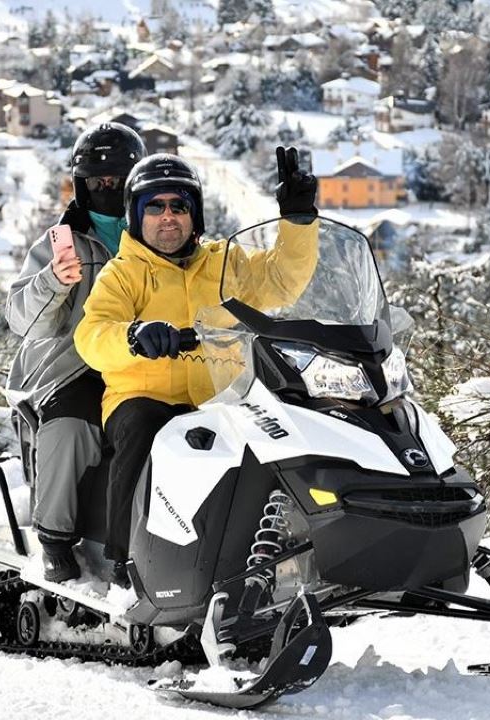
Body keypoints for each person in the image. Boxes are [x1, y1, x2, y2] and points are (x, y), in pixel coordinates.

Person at [74, 148, 319, 585]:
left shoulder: (226, 263)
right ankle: (122, 559)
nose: (168, 217)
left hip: (221, 397)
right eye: (155, 206)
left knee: (277, 435)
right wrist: (135, 336)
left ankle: (277, 555)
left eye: (179, 205)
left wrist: (298, 221)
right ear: (136, 214)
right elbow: (92, 335)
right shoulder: (123, 274)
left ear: (195, 214)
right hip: (142, 397)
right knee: (146, 427)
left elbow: (282, 281)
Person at [4, 122, 146, 582]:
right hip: (75, 366)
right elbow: (23, 319)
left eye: (117, 181)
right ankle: (55, 539)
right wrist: (54, 282)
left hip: (151, 365)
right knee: (69, 429)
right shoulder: (60, 243)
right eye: (96, 182)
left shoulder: (162, 232)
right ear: (81, 186)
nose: (107, 189)